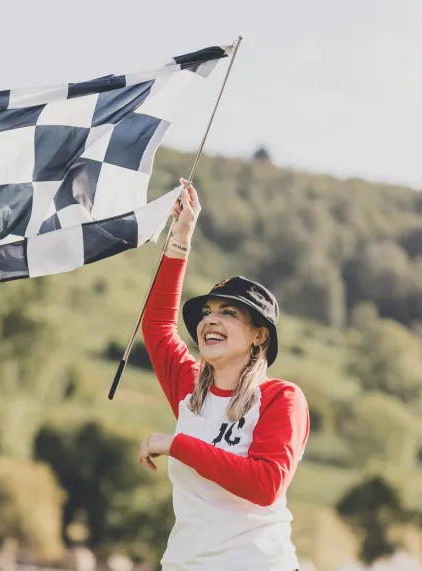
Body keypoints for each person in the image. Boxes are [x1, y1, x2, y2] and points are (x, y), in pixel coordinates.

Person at [138, 179, 310, 571]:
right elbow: (158, 327)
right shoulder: (189, 389)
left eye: (229, 313)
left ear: (258, 336)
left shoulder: (282, 398)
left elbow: (264, 485)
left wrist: (177, 444)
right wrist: (180, 237)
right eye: (208, 312)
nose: (211, 320)